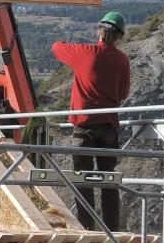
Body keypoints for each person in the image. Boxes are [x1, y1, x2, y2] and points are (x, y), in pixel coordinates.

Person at [52, 12, 131, 231]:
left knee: (83, 181)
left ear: (99, 30)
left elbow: (57, 47)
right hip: (108, 129)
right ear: (119, 36)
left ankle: (87, 230)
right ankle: (112, 232)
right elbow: (123, 93)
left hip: (83, 130)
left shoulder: (84, 53)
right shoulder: (122, 60)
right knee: (109, 183)